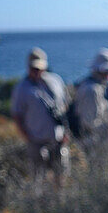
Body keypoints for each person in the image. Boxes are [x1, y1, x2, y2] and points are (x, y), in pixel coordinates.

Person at [11, 48, 69, 182]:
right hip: (37, 141)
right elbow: (17, 115)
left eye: (39, 68)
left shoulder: (56, 81)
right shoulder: (22, 88)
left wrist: (66, 131)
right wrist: (27, 137)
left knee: (61, 175)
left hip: (58, 139)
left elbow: (65, 105)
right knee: (39, 179)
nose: (36, 71)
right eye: (33, 68)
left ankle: (60, 200)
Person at [72, 49, 108, 145]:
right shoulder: (92, 90)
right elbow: (89, 123)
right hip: (93, 143)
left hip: (98, 141)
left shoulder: (96, 86)